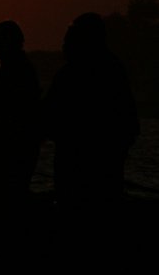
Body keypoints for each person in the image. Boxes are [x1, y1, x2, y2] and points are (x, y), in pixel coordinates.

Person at [42, 13, 139, 212]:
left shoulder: (72, 75)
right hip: (103, 171)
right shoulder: (113, 70)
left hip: (79, 171)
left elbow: (47, 117)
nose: (64, 45)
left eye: (68, 39)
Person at [0, 20, 41, 210]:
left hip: (14, 145)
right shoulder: (19, 68)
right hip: (21, 144)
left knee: (9, 195)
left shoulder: (16, 71)